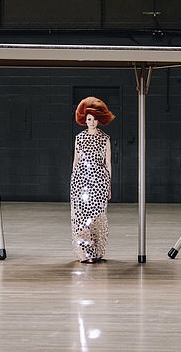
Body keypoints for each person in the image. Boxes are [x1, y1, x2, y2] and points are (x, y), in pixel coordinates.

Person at [70, 97, 115, 263]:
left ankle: (96, 251)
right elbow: (75, 161)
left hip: (99, 181)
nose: (92, 122)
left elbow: (108, 163)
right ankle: (85, 252)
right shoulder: (79, 138)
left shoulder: (105, 139)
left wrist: (109, 186)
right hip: (81, 180)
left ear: (100, 119)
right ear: (84, 119)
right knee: (81, 216)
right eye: (89, 119)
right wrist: (73, 181)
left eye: (95, 119)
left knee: (97, 217)